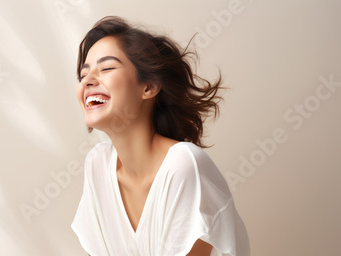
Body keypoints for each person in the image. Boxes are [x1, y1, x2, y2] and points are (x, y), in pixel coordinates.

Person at [71, 16, 250, 256]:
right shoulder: (98, 164)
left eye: (106, 68)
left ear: (148, 87)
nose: (87, 81)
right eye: (83, 74)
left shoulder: (183, 165)